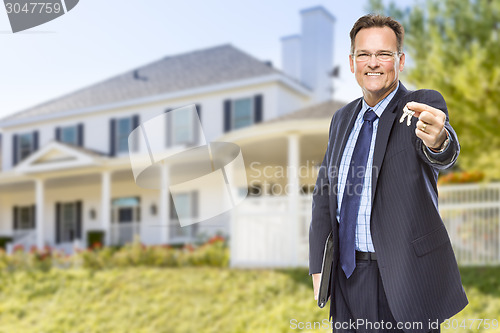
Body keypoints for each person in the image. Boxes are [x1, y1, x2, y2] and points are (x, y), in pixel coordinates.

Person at [309, 14, 468, 333]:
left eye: (384, 54)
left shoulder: (420, 105)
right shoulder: (341, 118)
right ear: (352, 62)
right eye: (364, 54)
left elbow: (441, 150)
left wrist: (439, 139)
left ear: (401, 60)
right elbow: (324, 195)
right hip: (347, 279)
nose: (373, 63)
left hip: (403, 279)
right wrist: (319, 269)